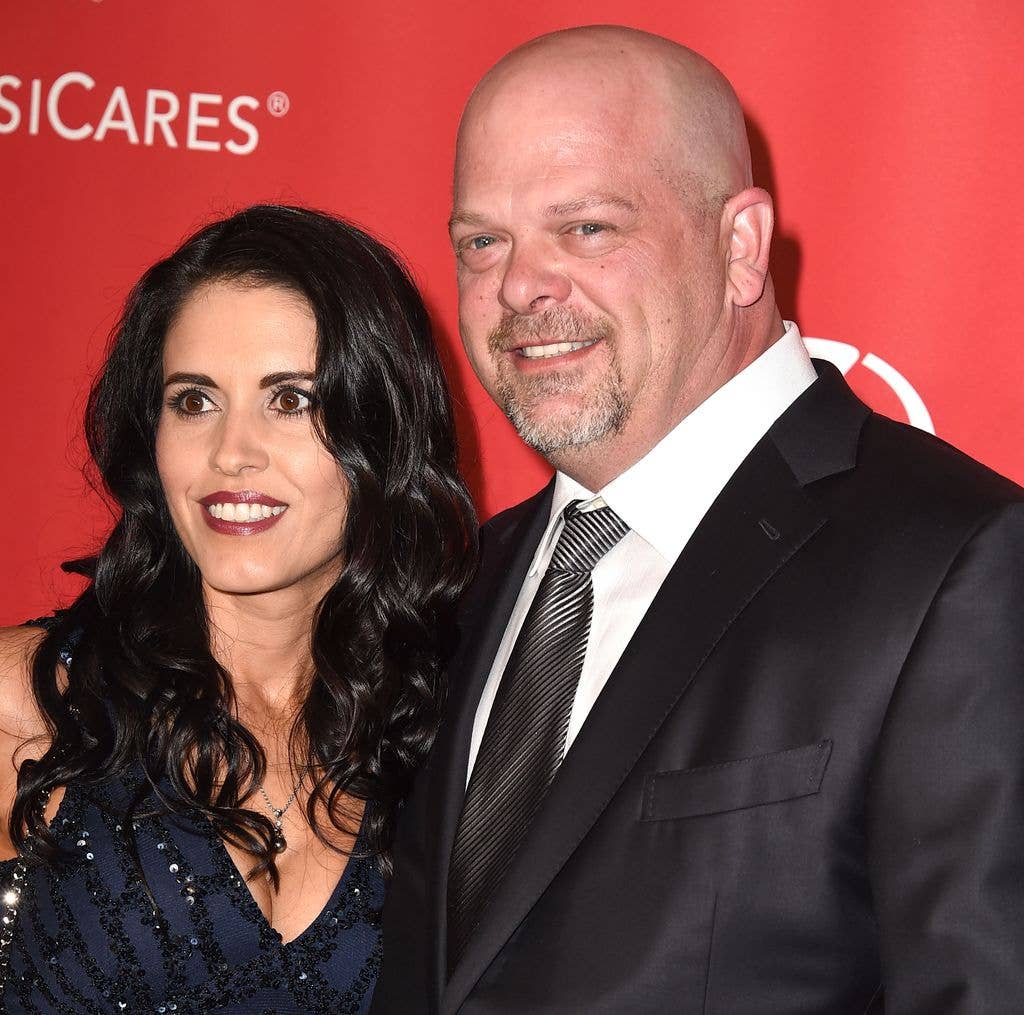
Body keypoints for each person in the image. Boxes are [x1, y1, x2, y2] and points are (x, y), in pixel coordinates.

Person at [371, 25, 1024, 1014]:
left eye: (586, 227)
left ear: (740, 246)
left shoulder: (957, 563)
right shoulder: (469, 577)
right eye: (482, 242)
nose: (518, 285)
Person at [0, 204, 476, 1013]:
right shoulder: (30, 698)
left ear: (382, 430)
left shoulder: (444, 727)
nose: (231, 453)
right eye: (194, 401)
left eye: (290, 400)